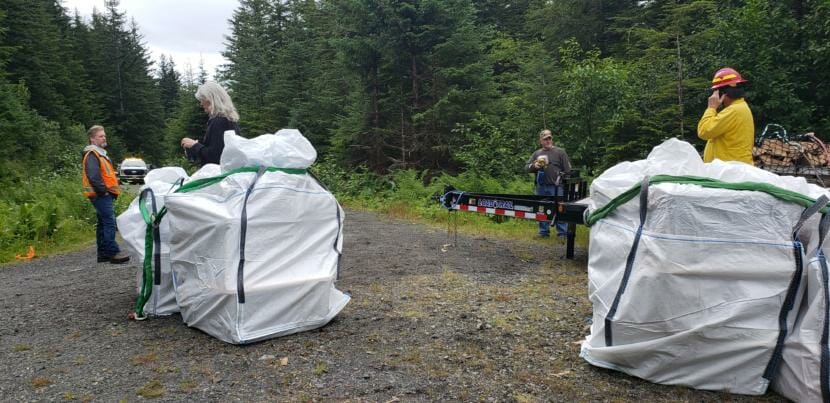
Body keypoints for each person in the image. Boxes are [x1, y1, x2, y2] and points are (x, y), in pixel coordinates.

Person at [82, 125, 130, 264]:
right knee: (109, 222)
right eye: (100, 136)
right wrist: (103, 191)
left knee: (103, 223)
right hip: (101, 194)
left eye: (104, 135)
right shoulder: (93, 154)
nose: (104, 138)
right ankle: (112, 252)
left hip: (102, 193)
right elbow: (93, 175)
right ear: (92, 139)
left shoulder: (99, 153)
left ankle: (103, 254)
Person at [696, 67, 754, 164]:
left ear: (722, 93)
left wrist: (711, 108)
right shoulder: (739, 108)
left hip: (729, 172)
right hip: (732, 170)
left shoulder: (734, 111)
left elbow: (704, 131)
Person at [180, 81, 241, 165]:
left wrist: (195, 145)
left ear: (211, 99)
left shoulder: (219, 121)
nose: (201, 104)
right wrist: (193, 148)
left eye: (202, 100)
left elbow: (216, 156)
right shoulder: (229, 119)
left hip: (219, 174)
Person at [526, 129, 572, 238]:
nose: (548, 141)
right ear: (540, 141)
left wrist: (564, 182)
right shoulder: (537, 153)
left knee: (560, 209)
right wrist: (534, 166)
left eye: (549, 138)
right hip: (541, 187)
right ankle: (543, 232)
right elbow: (526, 167)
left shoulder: (560, 152)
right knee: (541, 209)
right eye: (545, 139)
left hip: (557, 187)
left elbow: (568, 170)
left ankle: (562, 233)